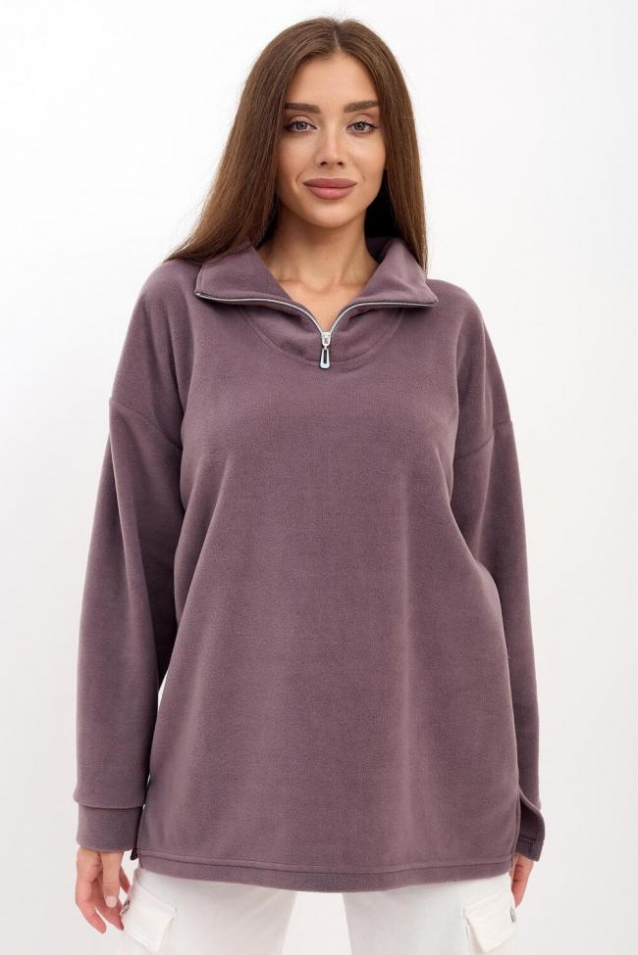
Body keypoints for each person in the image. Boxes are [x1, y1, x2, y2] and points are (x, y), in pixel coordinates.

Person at [73, 16, 545, 954]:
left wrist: (522, 799)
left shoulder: (450, 327)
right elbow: (131, 575)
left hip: (436, 789)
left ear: (391, 145)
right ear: (264, 140)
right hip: (217, 785)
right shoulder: (180, 310)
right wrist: (105, 803)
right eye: (300, 123)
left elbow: (498, 569)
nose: (333, 152)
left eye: (361, 124)